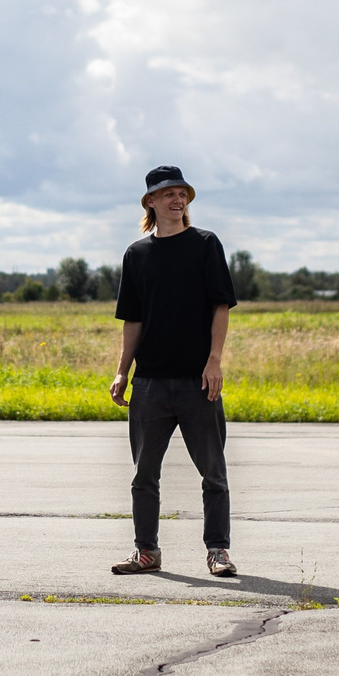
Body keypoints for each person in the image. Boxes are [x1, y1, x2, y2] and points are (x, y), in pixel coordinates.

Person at [108, 166, 238, 579]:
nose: (177, 199)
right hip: (149, 384)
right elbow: (133, 320)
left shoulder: (205, 245)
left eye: (182, 193)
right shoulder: (136, 254)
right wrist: (121, 372)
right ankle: (146, 552)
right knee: (144, 475)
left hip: (197, 382)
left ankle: (218, 551)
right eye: (167, 194)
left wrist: (214, 359)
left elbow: (221, 305)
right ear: (151, 202)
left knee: (213, 472)